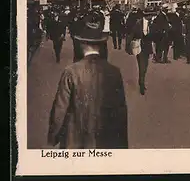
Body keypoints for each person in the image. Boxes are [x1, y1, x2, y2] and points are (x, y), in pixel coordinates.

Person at [48, 14, 128, 149]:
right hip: (105, 140)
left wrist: (53, 137)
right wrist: (122, 143)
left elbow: (60, 109)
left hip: (75, 139)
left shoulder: (71, 72)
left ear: (82, 44)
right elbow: (121, 110)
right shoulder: (114, 72)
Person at [130, 9, 153, 95]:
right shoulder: (138, 23)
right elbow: (133, 34)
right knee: (142, 66)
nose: (151, 18)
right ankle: (142, 85)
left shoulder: (151, 24)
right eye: (150, 16)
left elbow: (153, 34)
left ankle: (141, 81)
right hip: (139, 47)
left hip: (147, 48)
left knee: (145, 66)